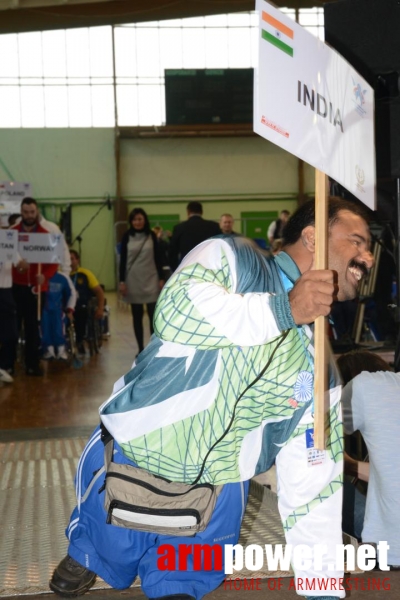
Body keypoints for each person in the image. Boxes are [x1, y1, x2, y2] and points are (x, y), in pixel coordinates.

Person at [50, 197, 374, 600]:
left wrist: (322, 587)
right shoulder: (232, 256)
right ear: (312, 237)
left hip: (215, 499)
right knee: (106, 544)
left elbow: (314, 485)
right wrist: (285, 309)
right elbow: (176, 311)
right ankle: (87, 553)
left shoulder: (318, 367)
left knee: (179, 586)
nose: (368, 258)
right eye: (357, 242)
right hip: (132, 454)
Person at [337, 350, 400, 568]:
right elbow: (389, 473)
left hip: (390, 550)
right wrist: (350, 465)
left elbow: (320, 443)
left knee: (335, 485)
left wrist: (341, 461)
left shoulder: (361, 385)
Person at [11, 198, 59, 376]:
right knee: (12, 327)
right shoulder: (12, 233)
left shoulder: (46, 235)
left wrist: (44, 276)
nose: (29, 216)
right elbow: (5, 257)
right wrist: (16, 264)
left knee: (33, 327)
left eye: (32, 212)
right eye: (25, 212)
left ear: (37, 211)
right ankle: (10, 364)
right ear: (21, 212)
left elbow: (54, 263)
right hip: (15, 287)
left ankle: (32, 363)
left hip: (37, 290)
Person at [119, 209, 165, 354]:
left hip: (151, 278)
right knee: (137, 315)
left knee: (153, 315)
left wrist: (161, 277)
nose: (137, 222)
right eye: (134, 220)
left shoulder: (151, 235)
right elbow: (123, 260)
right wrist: (121, 281)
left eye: (140, 219)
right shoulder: (126, 236)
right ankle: (140, 348)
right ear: (131, 222)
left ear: (144, 220)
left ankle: (153, 347)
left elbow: (158, 257)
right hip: (133, 279)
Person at [70, 249, 104, 355]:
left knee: (82, 312)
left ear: (77, 260)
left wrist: (100, 308)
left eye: (72, 259)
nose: (70, 262)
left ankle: (79, 341)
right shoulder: (62, 274)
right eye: (68, 259)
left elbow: (99, 292)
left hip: (81, 306)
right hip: (65, 307)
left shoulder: (85, 274)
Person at [168, 201, 220, 270]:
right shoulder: (213, 227)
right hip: (208, 268)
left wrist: (176, 269)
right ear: (202, 212)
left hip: (187, 268)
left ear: (188, 212)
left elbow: (172, 253)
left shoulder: (179, 228)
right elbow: (219, 250)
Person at [41, 270, 77, 360]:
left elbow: (72, 293)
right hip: (43, 309)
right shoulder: (39, 275)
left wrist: (70, 308)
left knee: (58, 324)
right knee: (44, 324)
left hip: (58, 309)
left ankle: (61, 349)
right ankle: (49, 349)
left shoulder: (63, 277)